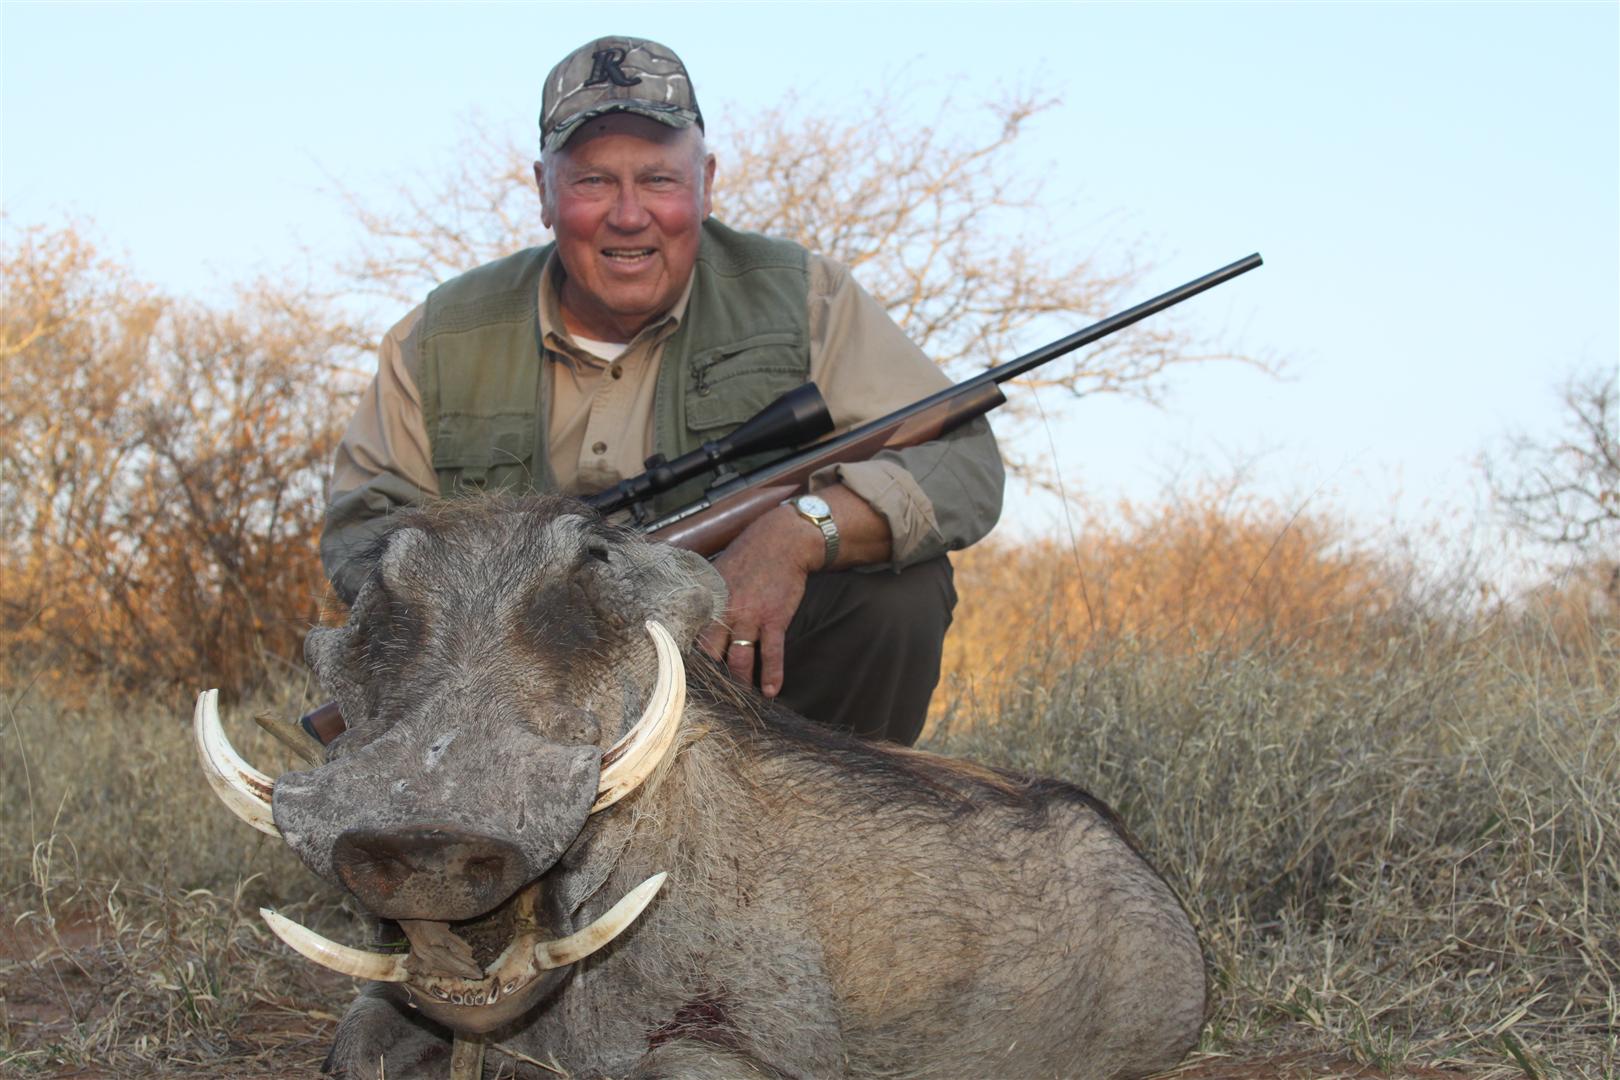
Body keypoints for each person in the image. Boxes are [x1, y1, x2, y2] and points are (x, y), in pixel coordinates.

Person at [321, 35, 1004, 745]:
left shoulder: (807, 297)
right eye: (593, 181)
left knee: (900, 593)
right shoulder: (439, 337)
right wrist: (497, 605)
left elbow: (961, 460)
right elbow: (362, 527)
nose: (628, 215)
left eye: (658, 179)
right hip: (506, 690)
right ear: (544, 192)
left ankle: (835, 811)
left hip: (735, 655)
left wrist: (799, 531)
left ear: (705, 183)